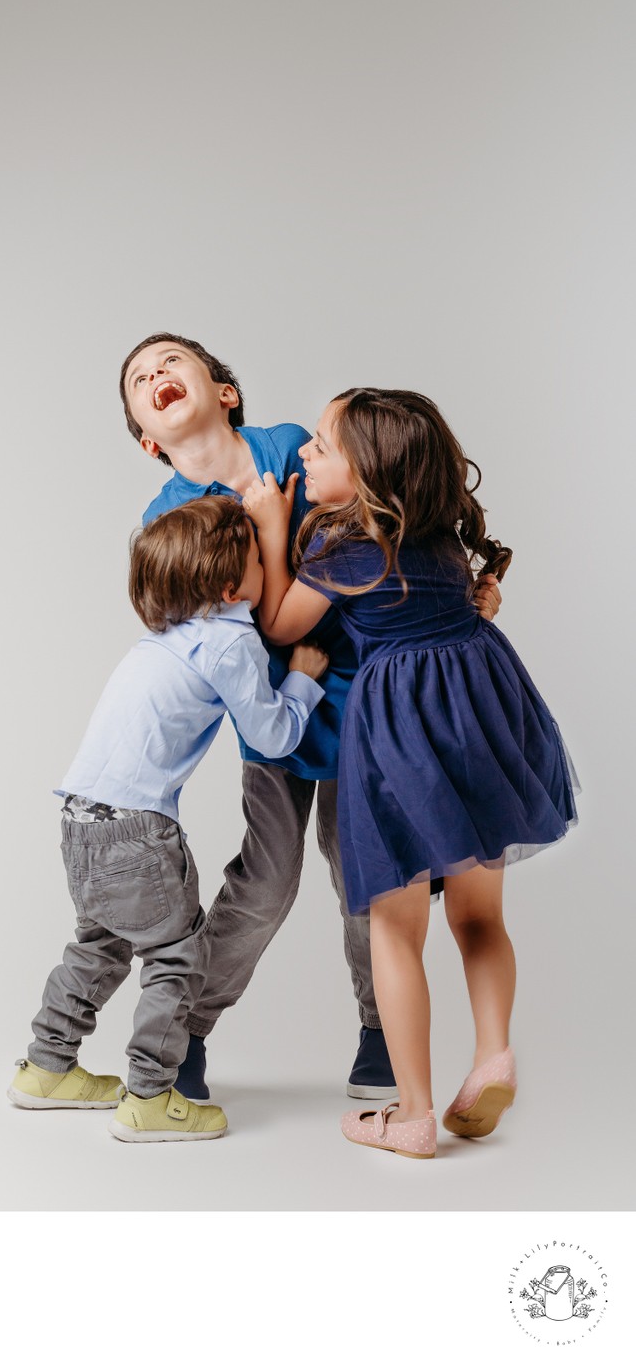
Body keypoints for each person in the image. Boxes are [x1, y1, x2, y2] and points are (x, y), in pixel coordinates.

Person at [121, 334, 503, 1101]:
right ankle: (184, 1029)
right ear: (146, 439)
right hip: (276, 709)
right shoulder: (170, 521)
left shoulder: (295, 447)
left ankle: (381, 1035)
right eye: (139, 378)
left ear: (225, 392)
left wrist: (459, 594)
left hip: (373, 695)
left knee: (364, 866)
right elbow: (235, 634)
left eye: (171, 362)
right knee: (267, 880)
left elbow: (388, 516)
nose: (157, 375)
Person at [242, 387, 577, 1159]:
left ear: (367, 475)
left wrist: (268, 526)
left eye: (322, 446)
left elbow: (277, 624)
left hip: (403, 734)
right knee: (481, 918)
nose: (303, 454)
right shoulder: (441, 543)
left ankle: (415, 1114)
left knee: (394, 929)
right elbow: (471, 607)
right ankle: (493, 1051)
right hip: (486, 719)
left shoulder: (341, 550)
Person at [8, 496, 328, 1142]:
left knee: (98, 944)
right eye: (261, 556)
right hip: (137, 829)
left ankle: (45, 1066)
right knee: (179, 958)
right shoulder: (233, 640)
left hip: (77, 820)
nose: (272, 562)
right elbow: (271, 738)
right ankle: (151, 1095)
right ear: (227, 584)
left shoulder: (162, 638)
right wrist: (302, 678)